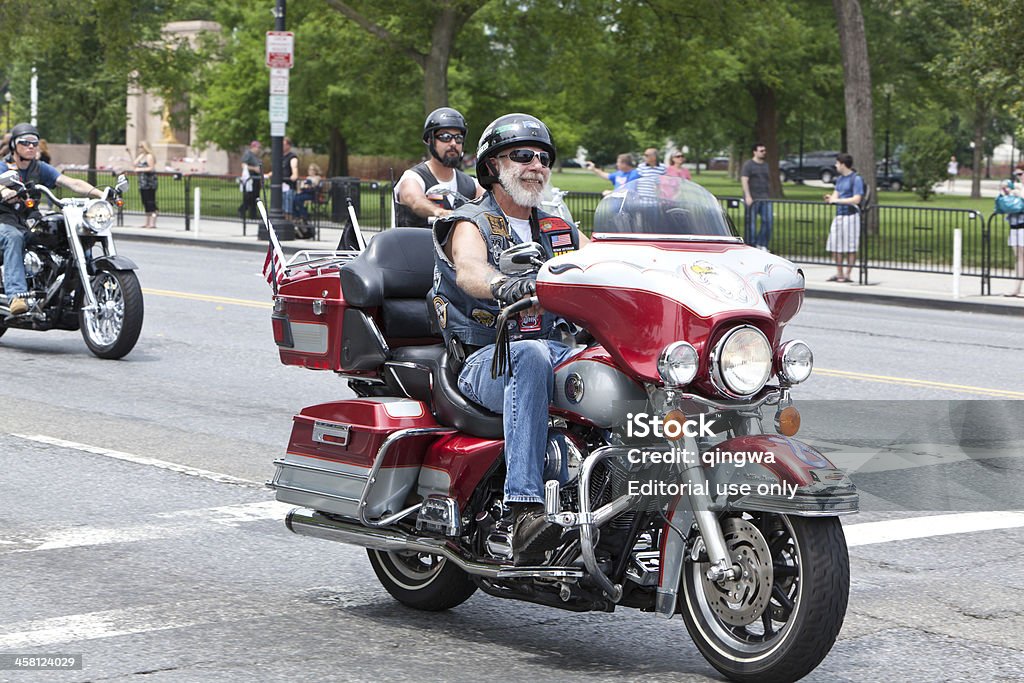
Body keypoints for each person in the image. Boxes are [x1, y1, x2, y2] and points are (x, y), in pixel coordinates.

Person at [432, 113, 590, 565]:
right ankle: (522, 511)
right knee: (530, 355)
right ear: (492, 167)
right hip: (487, 358)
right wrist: (506, 285)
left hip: (553, 349)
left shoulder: (559, 226)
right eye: (522, 155)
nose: (536, 164)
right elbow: (470, 269)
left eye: (543, 157)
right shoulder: (471, 222)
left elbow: (603, 261)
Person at [1, 123, 107, 316]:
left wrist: (102, 195)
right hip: (4, 222)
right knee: (13, 237)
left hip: (26, 223)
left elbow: (71, 182)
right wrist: (6, 191)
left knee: (61, 233)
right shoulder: (2, 167)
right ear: (14, 146)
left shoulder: (39, 168)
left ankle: (68, 286)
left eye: (34, 142)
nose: (31, 146)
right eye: (25, 142)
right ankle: (16, 295)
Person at [394, 107, 483, 227]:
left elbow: (490, 205)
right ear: (430, 141)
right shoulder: (413, 178)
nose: (453, 143)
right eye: (445, 137)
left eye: (458, 138)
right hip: (414, 244)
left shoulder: (471, 184)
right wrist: (439, 212)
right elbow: (415, 201)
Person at [823, 152, 864, 283]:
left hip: (851, 216)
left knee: (850, 246)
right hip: (839, 215)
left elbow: (857, 199)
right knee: (835, 245)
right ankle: (839, 273)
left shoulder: (856, 179)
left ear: (843, 164)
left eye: (837, 163)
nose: (835, 166)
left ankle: (847, 274)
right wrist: (831, 198)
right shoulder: (840, 180)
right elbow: (836, 196)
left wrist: (838, 201)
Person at [741, 143, 772, 250]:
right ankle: (751, 246)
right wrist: (748, 196)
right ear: (755, 152)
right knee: (751, 224)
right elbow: (744, 180)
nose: (764, 152)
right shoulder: (748, 165)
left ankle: (762, 243)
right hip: (753, 198)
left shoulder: (766, 165)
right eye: (761, 151)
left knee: (768, 221)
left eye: (764, 150)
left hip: (765, 198)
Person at [1002, 164, 1024, 297]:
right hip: (1014, 225)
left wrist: (1017, 195)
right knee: (1019, 258)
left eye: (1020, 174)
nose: (1019, 177)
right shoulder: (1018, 187)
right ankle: (1016, 288)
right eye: (1017, 174)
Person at [293, 162, 324, 237]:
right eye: (309, 170)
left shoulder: (317, 177)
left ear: (315, 171)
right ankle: (298, 215)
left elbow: (315, 186)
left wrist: (309, 185)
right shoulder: (307, 177)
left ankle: (304, 215)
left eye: (311, 170)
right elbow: (303, 186)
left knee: (300, 198)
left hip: (312, 194)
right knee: (295, 198)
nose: (310, 171)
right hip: (305, 192)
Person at [133, 141, 159, 228]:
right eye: (139, 146)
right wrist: (140, 156)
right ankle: (147, 222)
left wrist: (140, 170)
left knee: (150, 202)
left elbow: (151, 168)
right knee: (145, 202)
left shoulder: (149, 156)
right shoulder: (143, 156)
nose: (140, 148)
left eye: (141, 146)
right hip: (142, 183)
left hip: (149, 183)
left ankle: (152, 223)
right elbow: (134, 163)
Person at [238, 140, 263, 220]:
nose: (259, 149)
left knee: (256, 197)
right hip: (250, 179)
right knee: (249, 197)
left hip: (256, 179)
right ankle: (242, 210)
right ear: (253, 147)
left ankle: (253, 214)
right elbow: (243, 165)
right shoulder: (248, 154)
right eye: (258, 147)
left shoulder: (256, 156)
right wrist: (254, 169)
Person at [281, 137, 299, 222]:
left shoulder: (292, 157)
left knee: (288, 208)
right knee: (282, 208)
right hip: (281, 186)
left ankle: (288, 225)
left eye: (283, 144)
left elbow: (294, 167)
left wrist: (294, 174)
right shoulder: (280, 157)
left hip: (289, 186)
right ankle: (284, 223)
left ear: (288, 145)